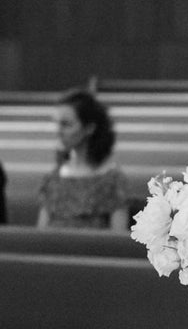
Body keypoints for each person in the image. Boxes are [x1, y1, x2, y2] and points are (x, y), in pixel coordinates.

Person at [37, 89, 130, 231]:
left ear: (89, 128)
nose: (57, 131)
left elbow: (117, 242)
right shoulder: (52, 178)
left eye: (66, 124)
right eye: (56, 123)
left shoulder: (113, 180)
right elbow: (40, 237)